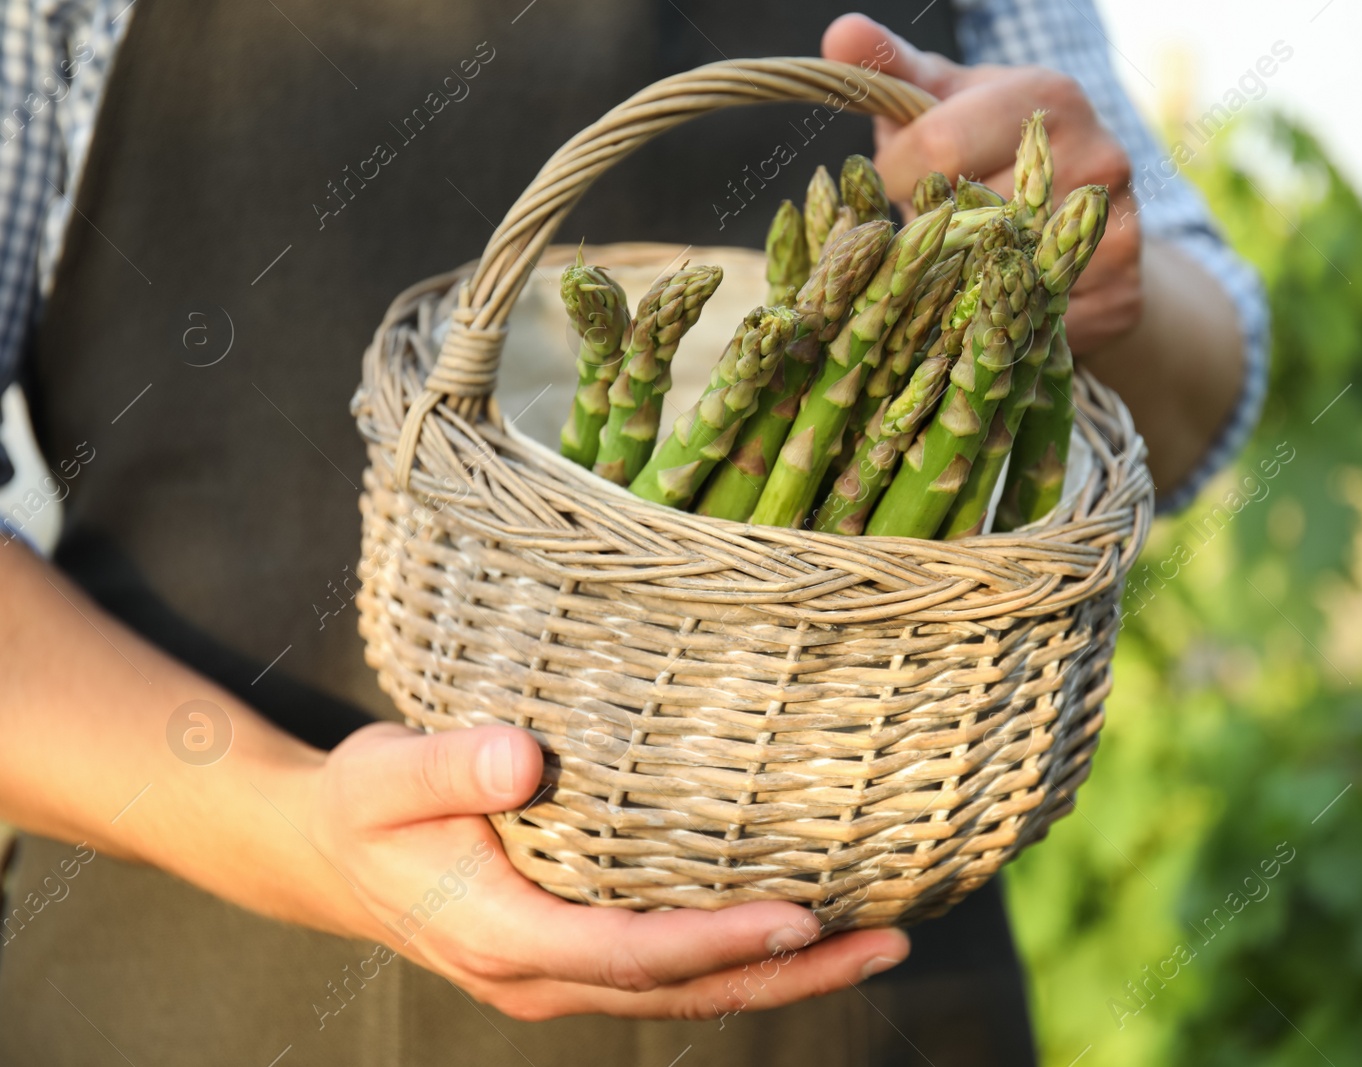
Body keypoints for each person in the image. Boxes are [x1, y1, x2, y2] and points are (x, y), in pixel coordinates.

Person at [0, 2, 1265, 1064]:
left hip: (860, 1011)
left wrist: (1099, 288)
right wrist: (295, 824)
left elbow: (1205, 393)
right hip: (194, 988)